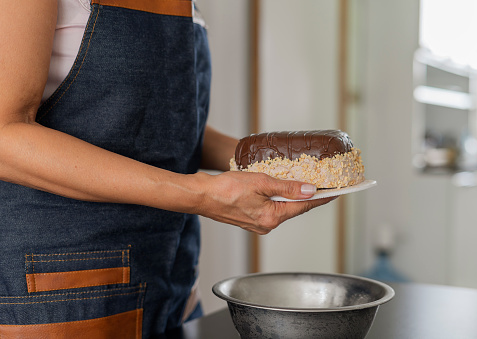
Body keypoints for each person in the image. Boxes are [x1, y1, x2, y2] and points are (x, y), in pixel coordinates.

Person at [0, 0, 336, 337]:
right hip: (66, 295)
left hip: (174, 284)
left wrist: (269, 161)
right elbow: (6, 137)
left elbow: (161, 128)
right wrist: (199, 194)